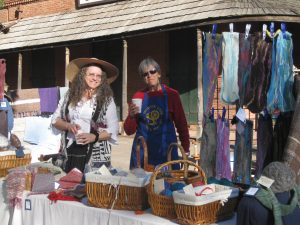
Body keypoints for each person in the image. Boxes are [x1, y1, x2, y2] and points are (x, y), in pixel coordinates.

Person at [51, 57, 119, 173]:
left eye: (99, 76)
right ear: (82, 75)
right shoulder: (69, 96)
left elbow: (114, 129)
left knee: (89, 188)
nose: (95, 78)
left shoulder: (107, 100)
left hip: (94, 154)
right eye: (91, 74)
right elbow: (54, 120)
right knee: (67, 186)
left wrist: (94, 137)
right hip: (68, 150)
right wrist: (68, 126)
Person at [124, 57, 190, 170]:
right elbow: (129, 131)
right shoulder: (138, 96)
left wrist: (186, 149)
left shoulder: (172, 95)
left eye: (152, 71)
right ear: (143, 78)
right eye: (145, 74)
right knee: (142, 186)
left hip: (166, 151)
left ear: (159, 73)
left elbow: (181, 124)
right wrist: (131, 116)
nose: (149, 75)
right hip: (143, 152)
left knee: (169, 185)